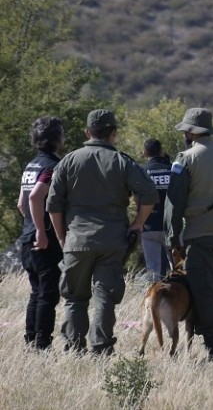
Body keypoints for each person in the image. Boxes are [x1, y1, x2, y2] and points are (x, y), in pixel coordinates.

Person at [47, 109, 157, 354]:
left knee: (75, 298)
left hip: (77, 239)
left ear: (87, 132)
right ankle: (101, 348)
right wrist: (138, 223)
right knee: (105, 298)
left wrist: (62, 237)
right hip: (112, 240)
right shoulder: (122, 161)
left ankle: (74, 348)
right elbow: (149, 194)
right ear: (113, 134)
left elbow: (53, 205)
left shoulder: (68, 161)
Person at [164, 108, 213, 359]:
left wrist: (173, 237)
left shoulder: (185, 158)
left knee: (204, 290)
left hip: (199, 233)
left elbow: (174, 202)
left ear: (191, 132)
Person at [17, 116, 65, 350]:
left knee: (36, 293)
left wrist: (30, 226)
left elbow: (21, 203)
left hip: (27, 240)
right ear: (57, 139)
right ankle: (42, 345)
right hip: (42, 240)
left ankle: (31, 340)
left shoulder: (31, 165)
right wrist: (41, 230)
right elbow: (36, 196)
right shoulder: (51, 166)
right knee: (48, 295)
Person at [141, 139, 172, 281]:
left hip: (149, 226)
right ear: (161, 151)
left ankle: (156, 300)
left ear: (145, 152)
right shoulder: (172, 169)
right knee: (177, 269)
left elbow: (137, 198)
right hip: (170, 226)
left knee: (154, 272)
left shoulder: (142, 171)